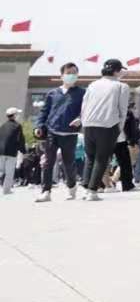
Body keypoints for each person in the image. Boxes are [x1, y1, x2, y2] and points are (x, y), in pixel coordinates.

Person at [77, 59, 130, 201]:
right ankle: (92, 190)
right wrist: (119, 129)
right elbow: (122, 110)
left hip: (89, 124)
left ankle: (86, 187)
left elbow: (84, 106)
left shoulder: (93, 84)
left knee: (90, 158)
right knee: (101, 159)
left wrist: (83, 122)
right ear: (117, 71)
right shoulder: (121, 86)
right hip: (108, 124)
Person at [36, 63, 86, 202]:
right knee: (48, 162)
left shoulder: (82, 93)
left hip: (69, 134)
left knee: (68, 163)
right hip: (52, 132)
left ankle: (71, 187)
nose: (72, 75)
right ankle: (46, 191)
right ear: (62, 75)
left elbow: (86, 111)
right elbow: (44, 112)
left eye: (74, 72)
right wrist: (39, 127)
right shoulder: (52, 93)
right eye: (69, 72)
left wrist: (80, 119)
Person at [1, 107, 23, 194]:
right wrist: (23, 151)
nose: (18, 116)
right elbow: (21, 139)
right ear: (14, 115)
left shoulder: (3, 126)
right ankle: (6, 190)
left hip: (1, 152)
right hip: (11, 152)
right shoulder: (17, 126)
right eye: (17, 114)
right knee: (9, 172)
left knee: (1, 170)